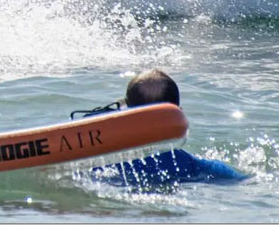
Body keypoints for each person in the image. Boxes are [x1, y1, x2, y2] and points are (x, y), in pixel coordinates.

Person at [88, 69, 249, 187]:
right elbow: (242, 181)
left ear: (126, 114)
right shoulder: (192, 165)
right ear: (178, 115)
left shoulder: (100, 162)